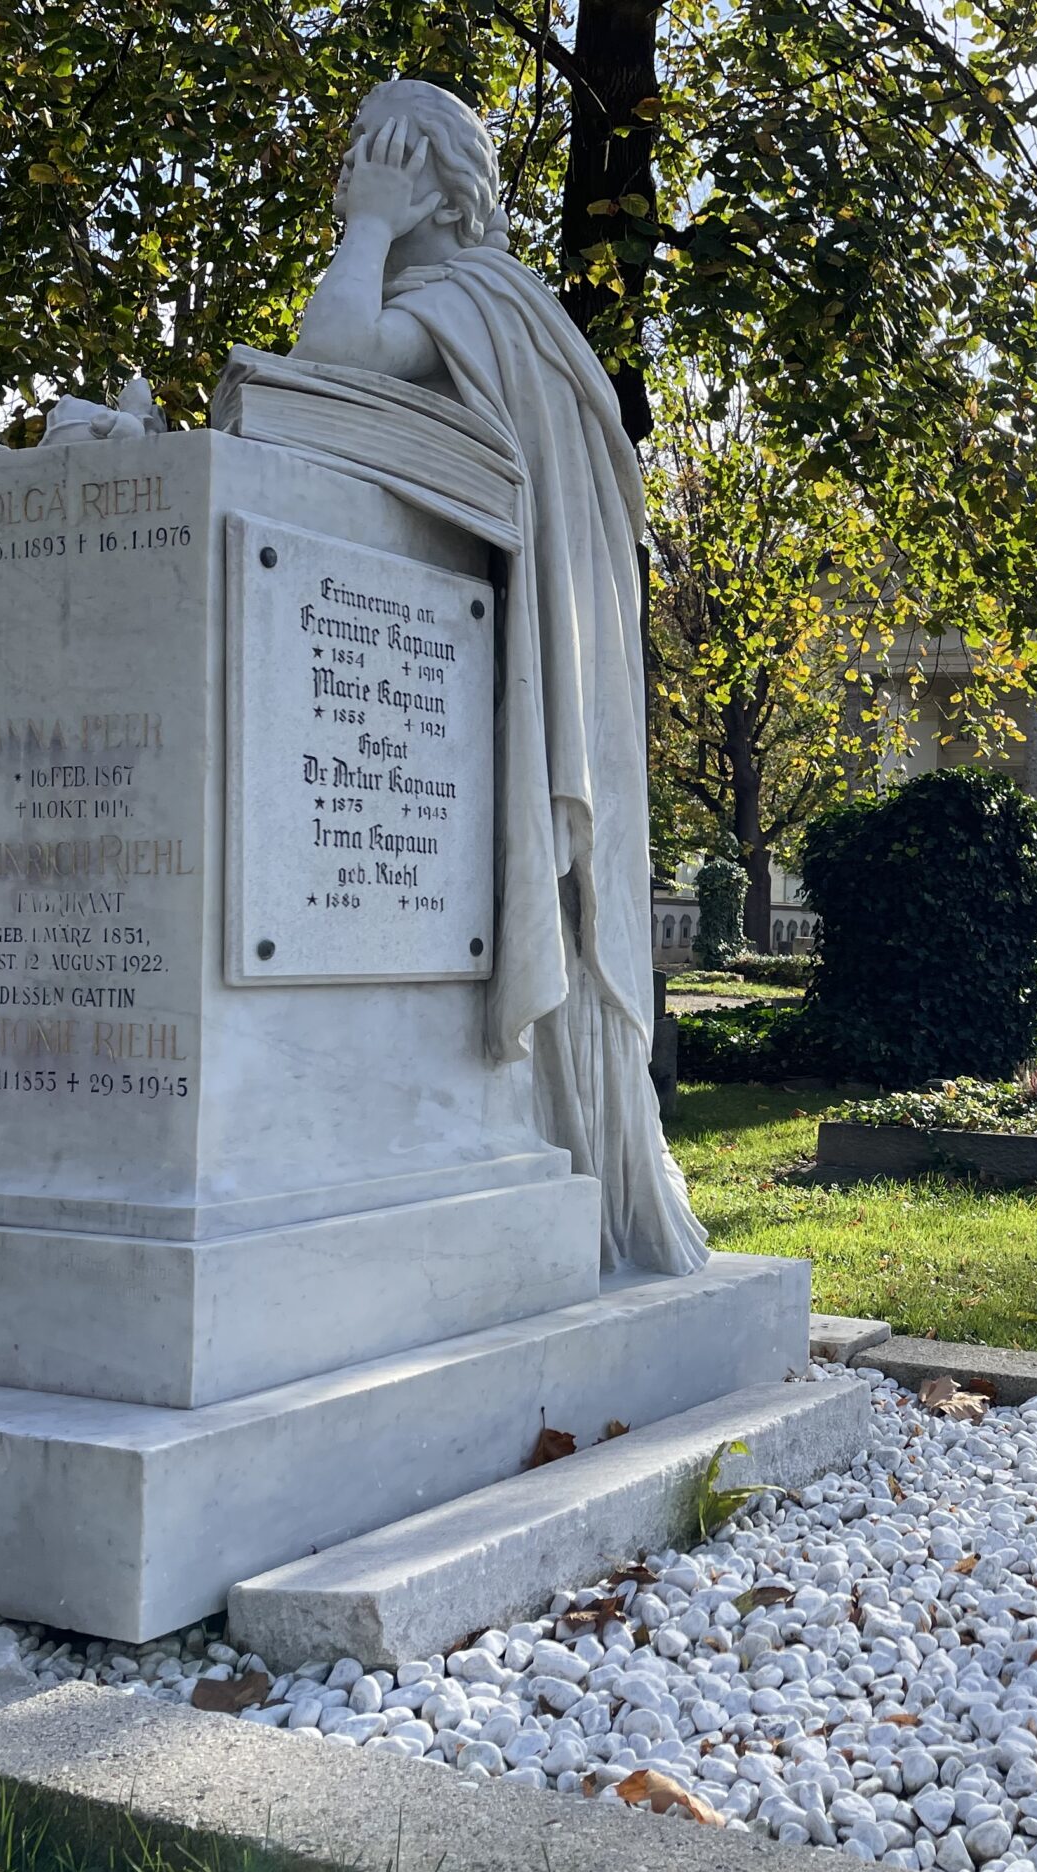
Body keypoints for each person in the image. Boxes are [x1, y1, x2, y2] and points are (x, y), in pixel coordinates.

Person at [292, 80, 707, 1275]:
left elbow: (335, 363)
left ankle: (587, 1179)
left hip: (509, 662)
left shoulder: (473, 299)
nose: (345, 180)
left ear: (423, 176)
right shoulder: (491, 311)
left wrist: (366, 229)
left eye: (368, 158)